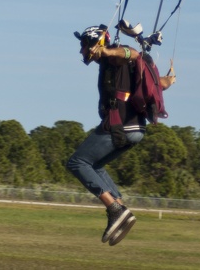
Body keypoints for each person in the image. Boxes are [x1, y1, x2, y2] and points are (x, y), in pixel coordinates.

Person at [67, 24, 176, 246]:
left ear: (95, 43)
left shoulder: (114, 56)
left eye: (84, 46)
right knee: (95, 166)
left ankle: (115, 208)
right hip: (136, 129)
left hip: (121, 125)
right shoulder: (113, 65)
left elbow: (132, 53)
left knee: (77, 162)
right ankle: (118, 209)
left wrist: (106, 51)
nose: (81, 51)